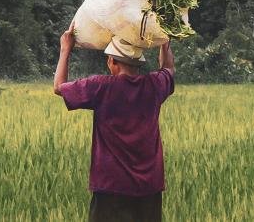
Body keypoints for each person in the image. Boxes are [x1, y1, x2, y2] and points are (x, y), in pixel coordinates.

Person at [53, 22, 175, 222]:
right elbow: (168, 68)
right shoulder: (154, 85)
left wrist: (65, 49)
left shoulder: (100, 87)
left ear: (112, 61)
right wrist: (164, 41)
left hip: (110, 186)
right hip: (149, 188)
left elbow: (59, 87)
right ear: (138, 63)